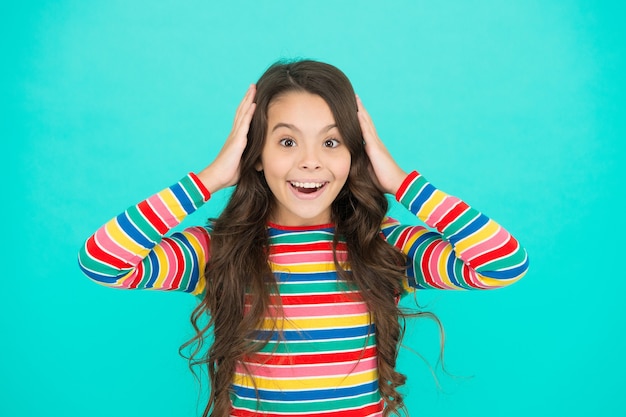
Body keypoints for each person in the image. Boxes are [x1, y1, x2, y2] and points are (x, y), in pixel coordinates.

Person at [78, 59, 529, 417]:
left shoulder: (383, 246)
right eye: (288, 142)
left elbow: (502, 263)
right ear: (254, 155)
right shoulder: (218, 250)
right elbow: (103, 261)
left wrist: (401, 181)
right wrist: (211, 177)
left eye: (331, 143)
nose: (311, 162)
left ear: (357, 154)